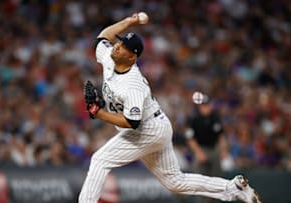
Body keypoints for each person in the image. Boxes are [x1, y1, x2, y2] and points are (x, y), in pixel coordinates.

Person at [78, 12, 261, 203]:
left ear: (132, 58)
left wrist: (99, 113)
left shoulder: (133, 84)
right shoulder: (109, 57)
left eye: (124, 47)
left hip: (147, 129)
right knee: (175, 182)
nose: (118, 46)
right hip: (156, 125)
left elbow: (131, 122)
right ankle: (234, 188)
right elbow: (102, 37)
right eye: (120, 42)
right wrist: (129, 22)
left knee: (100, 160)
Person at [185, 94, 228, 203]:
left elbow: (221, 136)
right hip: (201, 149)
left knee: (217, 183)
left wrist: (223, 150)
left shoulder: (215, 118)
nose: (206, 107)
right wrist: (199, 152)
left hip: (214, 150)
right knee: (200, 182)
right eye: (203, 105)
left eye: (207, 105)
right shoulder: (194, 119)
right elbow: (190, 139)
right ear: (200, 107)